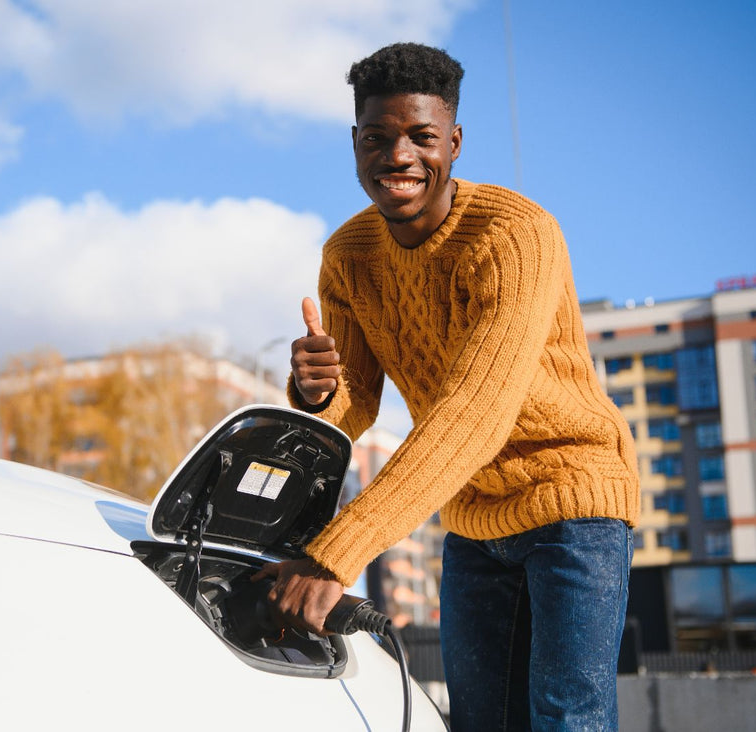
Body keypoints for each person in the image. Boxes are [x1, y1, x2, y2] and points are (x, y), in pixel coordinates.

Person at [253, 42, 640, 731]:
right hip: (471, 514)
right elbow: (354, 405)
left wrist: (335, 554)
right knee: (480, 720)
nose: (398, 156)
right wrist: (314, 395)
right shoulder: (348, 257)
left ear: (453, 142)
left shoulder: (516, 235)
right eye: (376, 138)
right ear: (355, 144)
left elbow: (476, 411)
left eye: (420, 137)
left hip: (573, 504)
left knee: (565, 719)